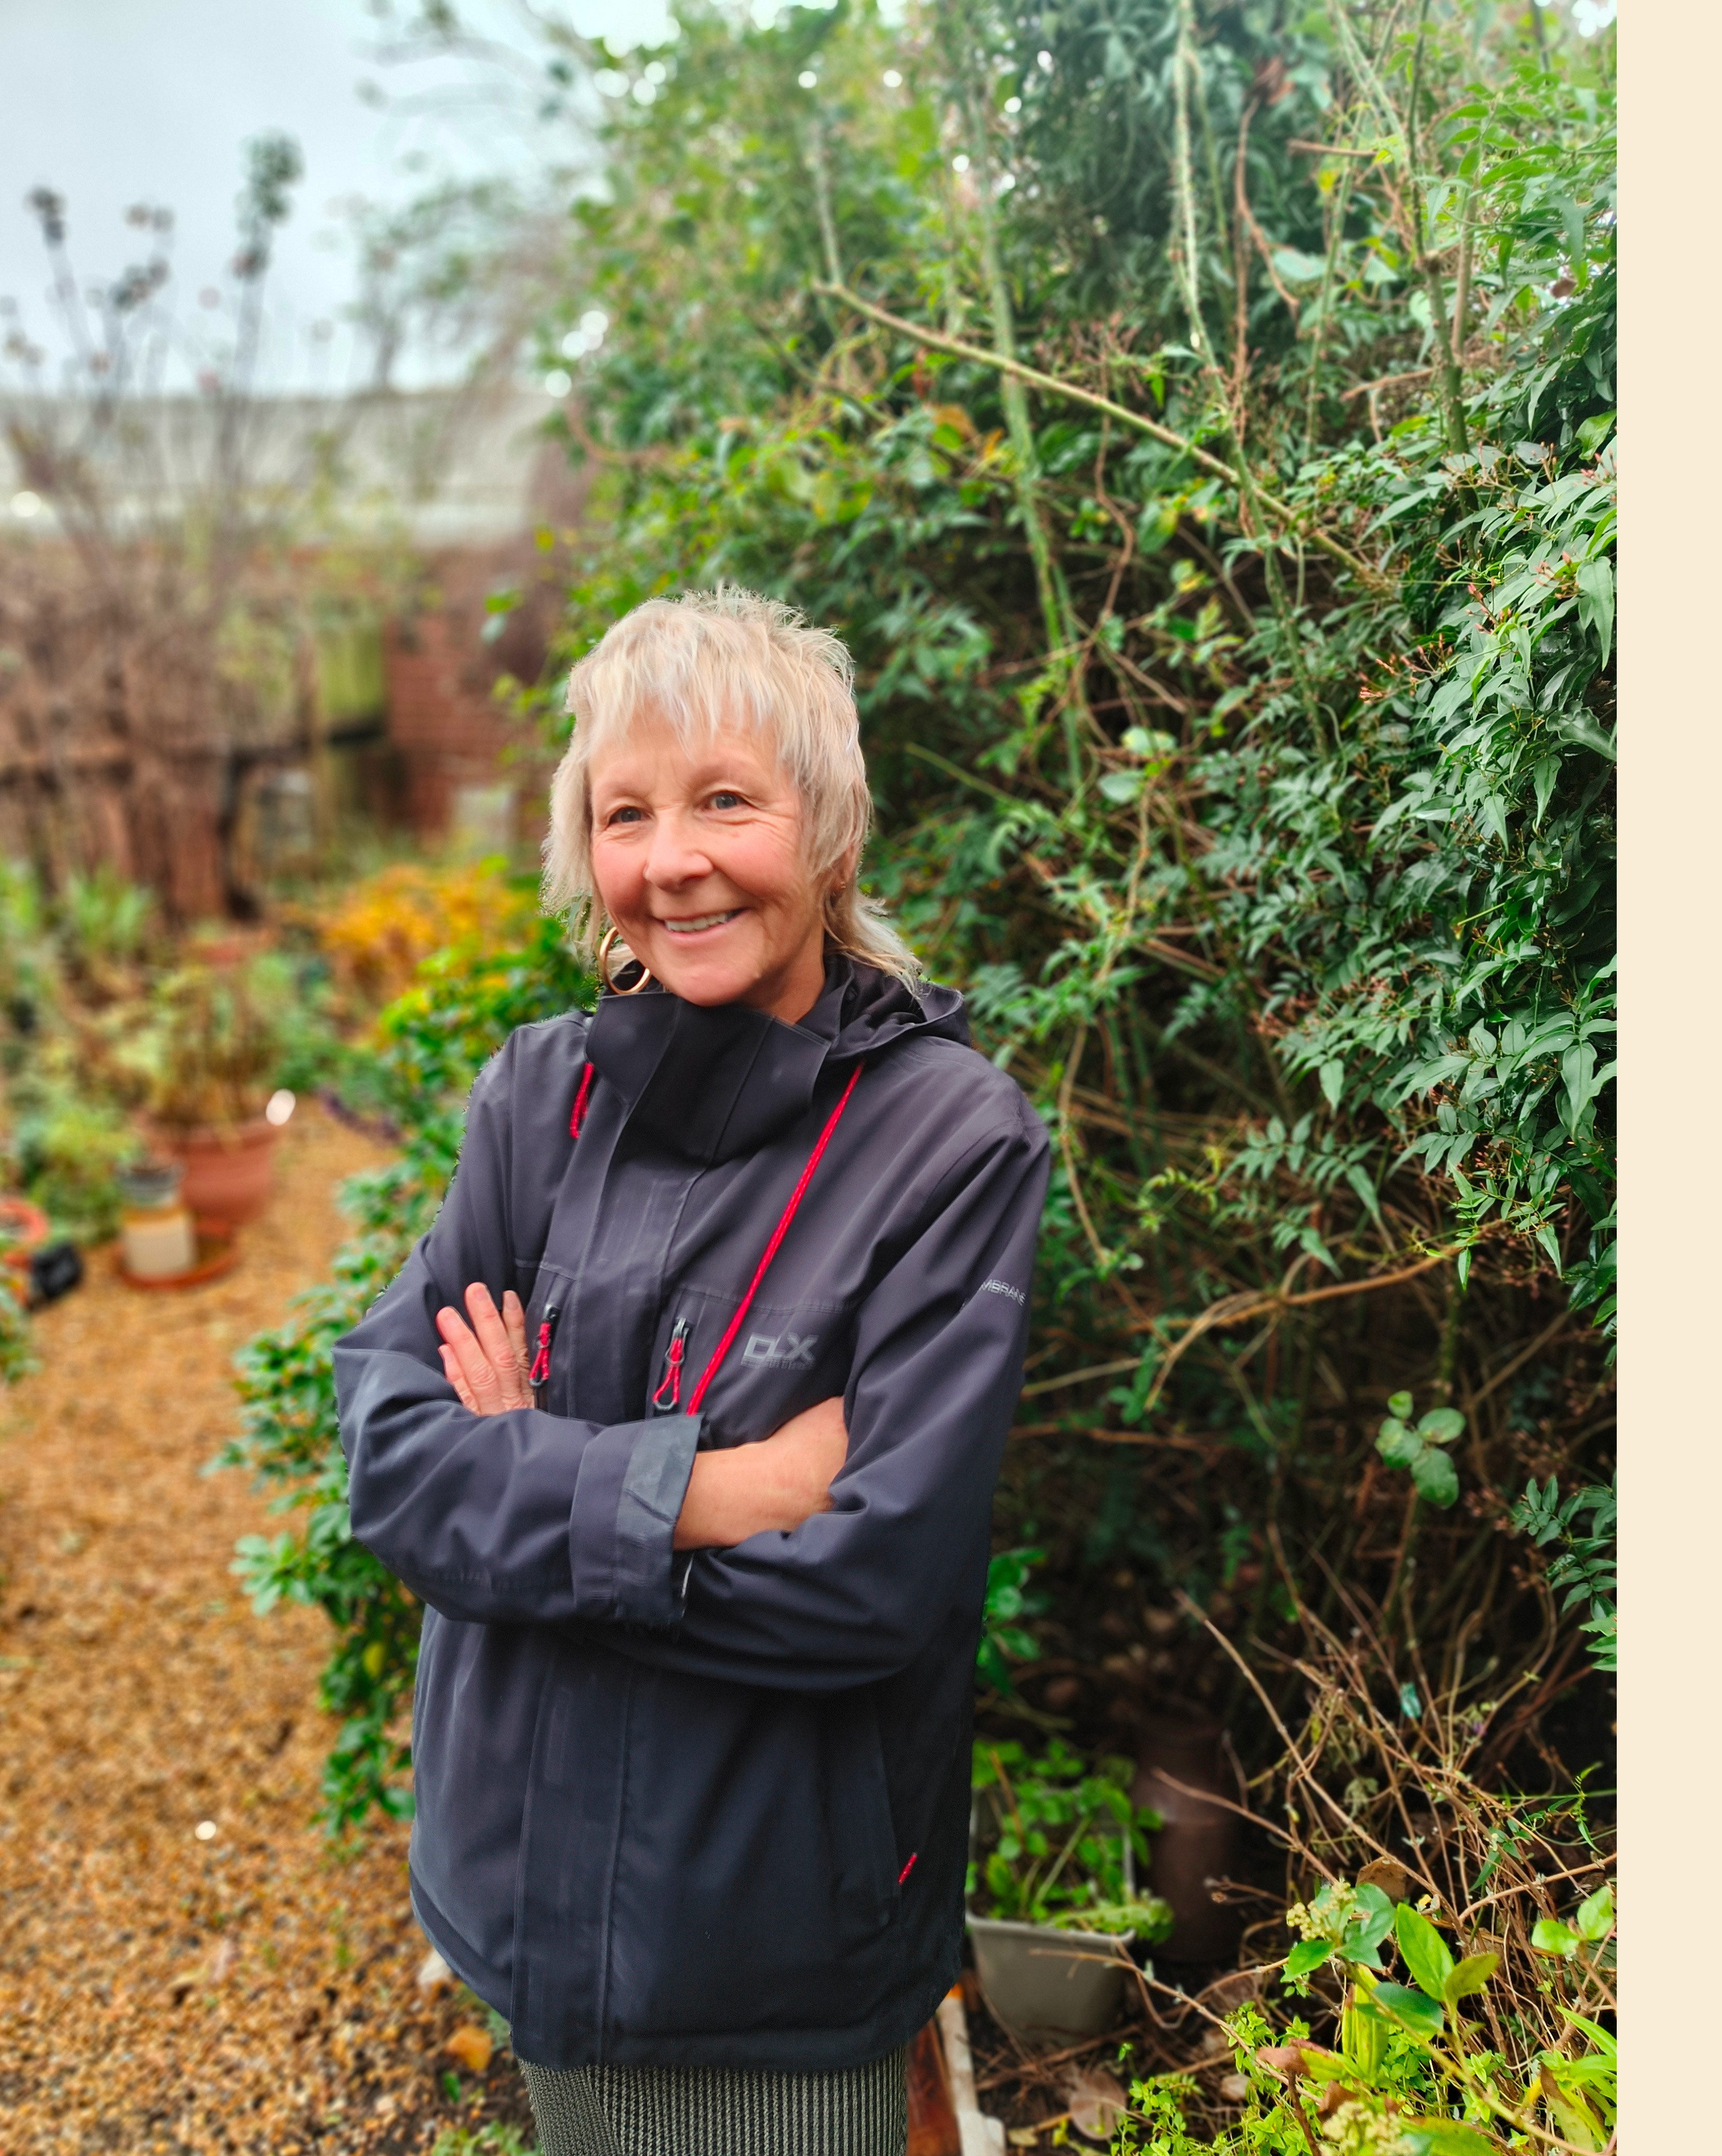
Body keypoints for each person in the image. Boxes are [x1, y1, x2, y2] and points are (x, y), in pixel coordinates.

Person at [335, 586, 1051, 2156]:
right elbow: (390, 1458)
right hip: (525, 1889)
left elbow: (872, 1582)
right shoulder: (539, 1098)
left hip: (771, 1939)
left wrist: (525, 1478)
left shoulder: (950, 1143)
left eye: (727, 799)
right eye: (627, 812)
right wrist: (724, 1490)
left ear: (830, 825)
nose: (673, 858)